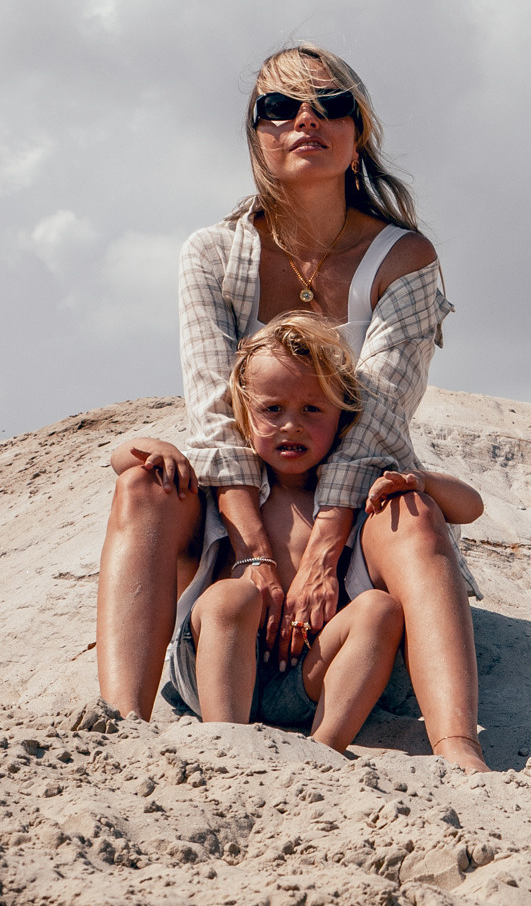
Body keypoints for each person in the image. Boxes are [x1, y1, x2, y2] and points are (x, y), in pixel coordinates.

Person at [95, 43, 490, 771]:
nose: (305, 120)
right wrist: (255, 554)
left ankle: (457, 747)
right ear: (256, 133)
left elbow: (375, 420)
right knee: (142, 485)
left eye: (329, 104)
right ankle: (121, 725)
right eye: (280, 107)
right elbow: (215, 410)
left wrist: (322, 555)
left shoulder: (405, 258)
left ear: (357, 130)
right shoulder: (212, 253)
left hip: (353, 576)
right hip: (233, 574)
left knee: (410, 509)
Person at [109, 314, 483, 754]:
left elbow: (470, 506)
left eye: (312, 409)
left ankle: (324, 749)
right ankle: (226, 740)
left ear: (342, 417)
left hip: (312, 679)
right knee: (232, 597)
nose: (292, 425)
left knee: (378, 610)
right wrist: (159, 449)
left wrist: (420, 481)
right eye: (272, 409)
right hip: (215, 670)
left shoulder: (358, 492)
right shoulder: (218, 486)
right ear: (243, 415)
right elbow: (126, 463)